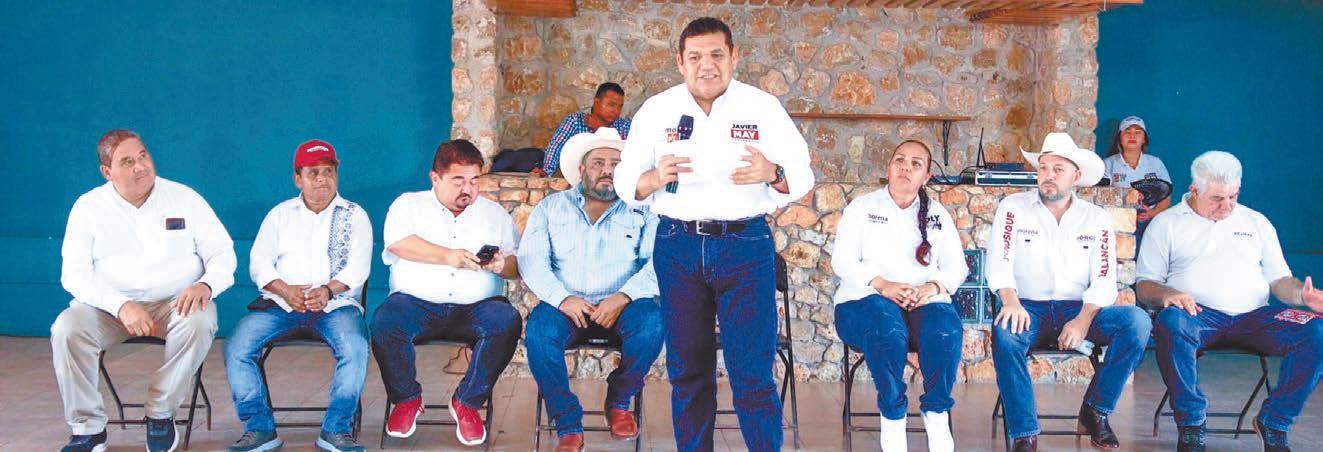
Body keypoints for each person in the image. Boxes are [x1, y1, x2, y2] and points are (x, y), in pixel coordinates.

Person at [614, 17, 815, 452]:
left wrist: (773, 172)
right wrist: (653, 178)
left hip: (745, 247)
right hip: (677, 246)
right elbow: (625, 183)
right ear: (680, 62)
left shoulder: (763, 107)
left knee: (753, 374)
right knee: (688, 372)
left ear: (734, 56)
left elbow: (802, 175)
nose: (707, 65)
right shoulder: (657, 110)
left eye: (716, 55)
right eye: (696, 57)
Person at [53, 129, 236, 452]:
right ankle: (88, 429)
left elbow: (222, 252)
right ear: (107, 172)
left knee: (201, 320)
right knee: (66, 329)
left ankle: (160, 413)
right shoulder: (88, 207)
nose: (140, 166)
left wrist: (206, 284)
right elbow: (74, 275)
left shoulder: (184, 198)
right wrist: (120, 305)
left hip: (174, 303)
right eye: (127, 162)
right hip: (108, 309)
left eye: (143, 156)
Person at [1138, 150, 1323, 452]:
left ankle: (1275, 422)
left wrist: (1303, 294)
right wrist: (1167, 294)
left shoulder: (1256, 222)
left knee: (1317, 329)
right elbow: (1145, 285)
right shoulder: (1166, 223)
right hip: (1196, 315)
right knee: (1169, 322)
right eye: (1216, 199)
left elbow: (1280, 282)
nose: (1226, 206)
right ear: (1194, 190)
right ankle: (1192, 422)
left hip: (1254, 317)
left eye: (1232, 197)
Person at [986, 133, 1152, 452]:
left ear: (1076, 176)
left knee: (1137, 322)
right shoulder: (1013, 208)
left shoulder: (1096, 218)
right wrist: (1010, 300)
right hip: (1027, 308)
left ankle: (1096, 411)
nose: (1048, 175)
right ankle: (1024, 433)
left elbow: (1104, 279)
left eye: (1058, 169)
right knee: (1005, 333)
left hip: (1078, 309)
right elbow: (999, 262)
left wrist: (1083, 320)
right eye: (1043, 167)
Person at [519, 127, 664, 452]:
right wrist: (562, 299)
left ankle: (619, 399)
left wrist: (623, 297)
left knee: (654, 323)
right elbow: (531, 261)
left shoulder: (644, 209)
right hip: (567, 306)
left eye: (616, 163)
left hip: (625, 306)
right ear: (582, 169)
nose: (608, 170)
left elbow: (659, 263)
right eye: (599, 162)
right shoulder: (551, 208)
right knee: (539, 333)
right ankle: (568, 424)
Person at [223, 139, 372, 452]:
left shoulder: (354, 215)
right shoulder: (280, 215)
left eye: (328, 171)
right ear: (297, 178)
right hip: (281, 305)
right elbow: (259, 263)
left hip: (336, 306)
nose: (322, 179)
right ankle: (259, 429)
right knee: (237, 346)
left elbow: (358, 268)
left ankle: (336, 431)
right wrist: (285, 290)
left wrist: (328, 291)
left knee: (355, 347)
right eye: (313, 172)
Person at [371, 139, 522, 447]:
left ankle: (467, 401)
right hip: (416, 303)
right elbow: (398, 243)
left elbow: (516, 265)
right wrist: (448, 256)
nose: (468, 189)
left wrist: (500, 264)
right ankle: (406, 399)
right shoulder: (408, 205)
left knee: (507, 320)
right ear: (435, 178)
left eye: (474, 180)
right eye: (458, 180)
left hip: (477, 306)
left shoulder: (495, 214)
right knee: (385, 320)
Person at [831, 140, 966, 452]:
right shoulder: (862, 208)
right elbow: (842, 262)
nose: (906, 167)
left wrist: (930, 288)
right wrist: (883, 285)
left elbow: (957, 267)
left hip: (922, 300)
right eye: (899, 160)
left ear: (927, 177)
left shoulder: (937, 214)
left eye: (916, 164)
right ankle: (893, 416)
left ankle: (936, 413)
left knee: (945, 329)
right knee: (887, 328)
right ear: (888, 168)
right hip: (863, 299)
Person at [538, 82, 631, 177]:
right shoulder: (575, 121)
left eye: (620, 107)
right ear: (596, 102)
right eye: (611, 105)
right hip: (577, 179)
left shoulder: (623, 126)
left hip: (612, 180)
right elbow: (555, 147)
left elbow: (633, 156)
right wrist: (547, 171)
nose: (616, 111)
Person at [1103, 116, 1172, 237]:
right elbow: (1103, 196)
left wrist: (1151, 213)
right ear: (1119, 137)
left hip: (1150, 220)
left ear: (1144, 139)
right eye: (1127, 132)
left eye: (1138, 132)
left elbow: (1166, 197)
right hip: (1119, 221)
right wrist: (1127, 196)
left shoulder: (1155, 163)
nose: (1132, 136)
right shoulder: (1108, 164)